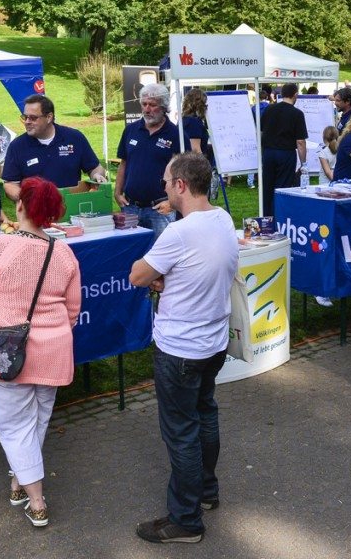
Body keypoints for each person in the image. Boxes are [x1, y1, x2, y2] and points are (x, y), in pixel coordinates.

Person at [129, 153, 238, 544]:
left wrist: (159, 278)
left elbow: (138, 274)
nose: (162, 188)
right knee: (204, 414)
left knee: (182, 432)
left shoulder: (179, 232)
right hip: (212, 342)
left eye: (165, 182)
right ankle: (206, 492)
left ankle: (186, 520)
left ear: (180, 186)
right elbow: (195, 270)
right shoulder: (222, 218)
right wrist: (166, 279)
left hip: (181, 348)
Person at [0, 176, 81, 527]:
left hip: (3, 351)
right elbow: (73, 310)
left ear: (20, 206)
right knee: (36, 422)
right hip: (54, 351)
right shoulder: (64, 252)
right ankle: (18, 481)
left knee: (16, 427)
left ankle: (37, 499)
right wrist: (54, 333)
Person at [2, 94, 105, 200]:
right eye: (25, 117)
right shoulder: (17, 146)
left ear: (49, 117)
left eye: (33, 118)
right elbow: (10, 184)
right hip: (35, 213)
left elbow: (95, 168)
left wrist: (97, 176)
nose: (27, 122)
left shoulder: (74, 138)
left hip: (70, 209)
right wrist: (28, 199)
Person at [115, 83, 183, 238]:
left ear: (164, 107)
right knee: (132, 254)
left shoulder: (176, 135)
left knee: (162, 256)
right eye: (144, 104)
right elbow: (124, 163)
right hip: (130, 207)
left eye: (152, 105)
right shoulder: (131, 130)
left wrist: (172, 203)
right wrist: (118, 193)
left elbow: (186, 175)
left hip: (160, 209)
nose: (147, 109)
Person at [259, 82, 307, 216]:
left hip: (268, 152)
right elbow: (301, 141)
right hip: (286, 154)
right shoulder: (297, 114)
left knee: (267, 187)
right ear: (295, 95)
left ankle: (266, 218)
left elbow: (262, 132)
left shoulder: (269, 109)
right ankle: (279, 217)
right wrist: (304, 163)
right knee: (282, 188)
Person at [181, 88, 213, 161]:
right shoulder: (194, 122)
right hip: (194, 166)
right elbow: (196, 151)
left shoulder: (184, 120)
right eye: (205, 104)